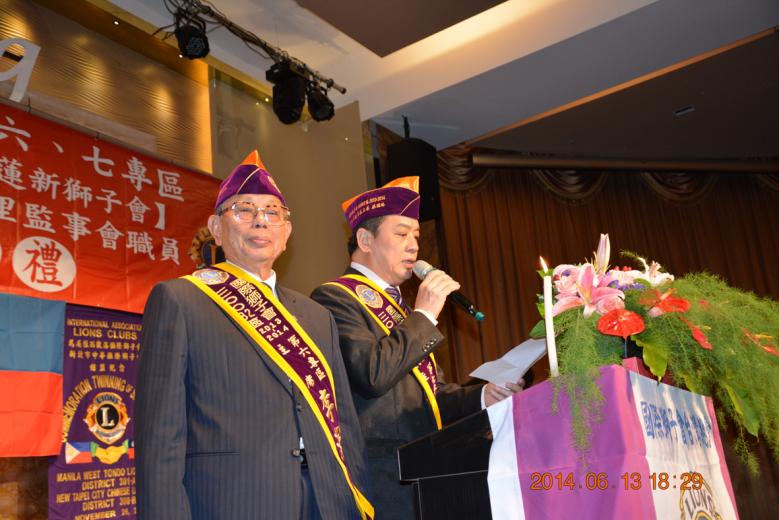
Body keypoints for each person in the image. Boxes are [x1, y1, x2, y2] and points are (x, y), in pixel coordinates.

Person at [136, 151, 373, 520]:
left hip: (326, 502)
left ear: (286, 233)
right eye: (244, 210)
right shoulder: (181, 300)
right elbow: (159, 437)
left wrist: (355, 497)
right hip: (234, 502)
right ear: (216, 228)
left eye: (272, 213)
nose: (260, 221)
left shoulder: (317, 316)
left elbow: (345, 425)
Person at [310, 176, 523, 518]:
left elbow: (431, 395)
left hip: (425, 467)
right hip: (380, 474)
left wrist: (484, 396)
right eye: (401, 234)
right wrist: (424, 315)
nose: (413, 246)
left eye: (416, 236)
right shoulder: (334, 298)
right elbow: (373, 374)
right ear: (365, 239)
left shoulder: (404, 311)